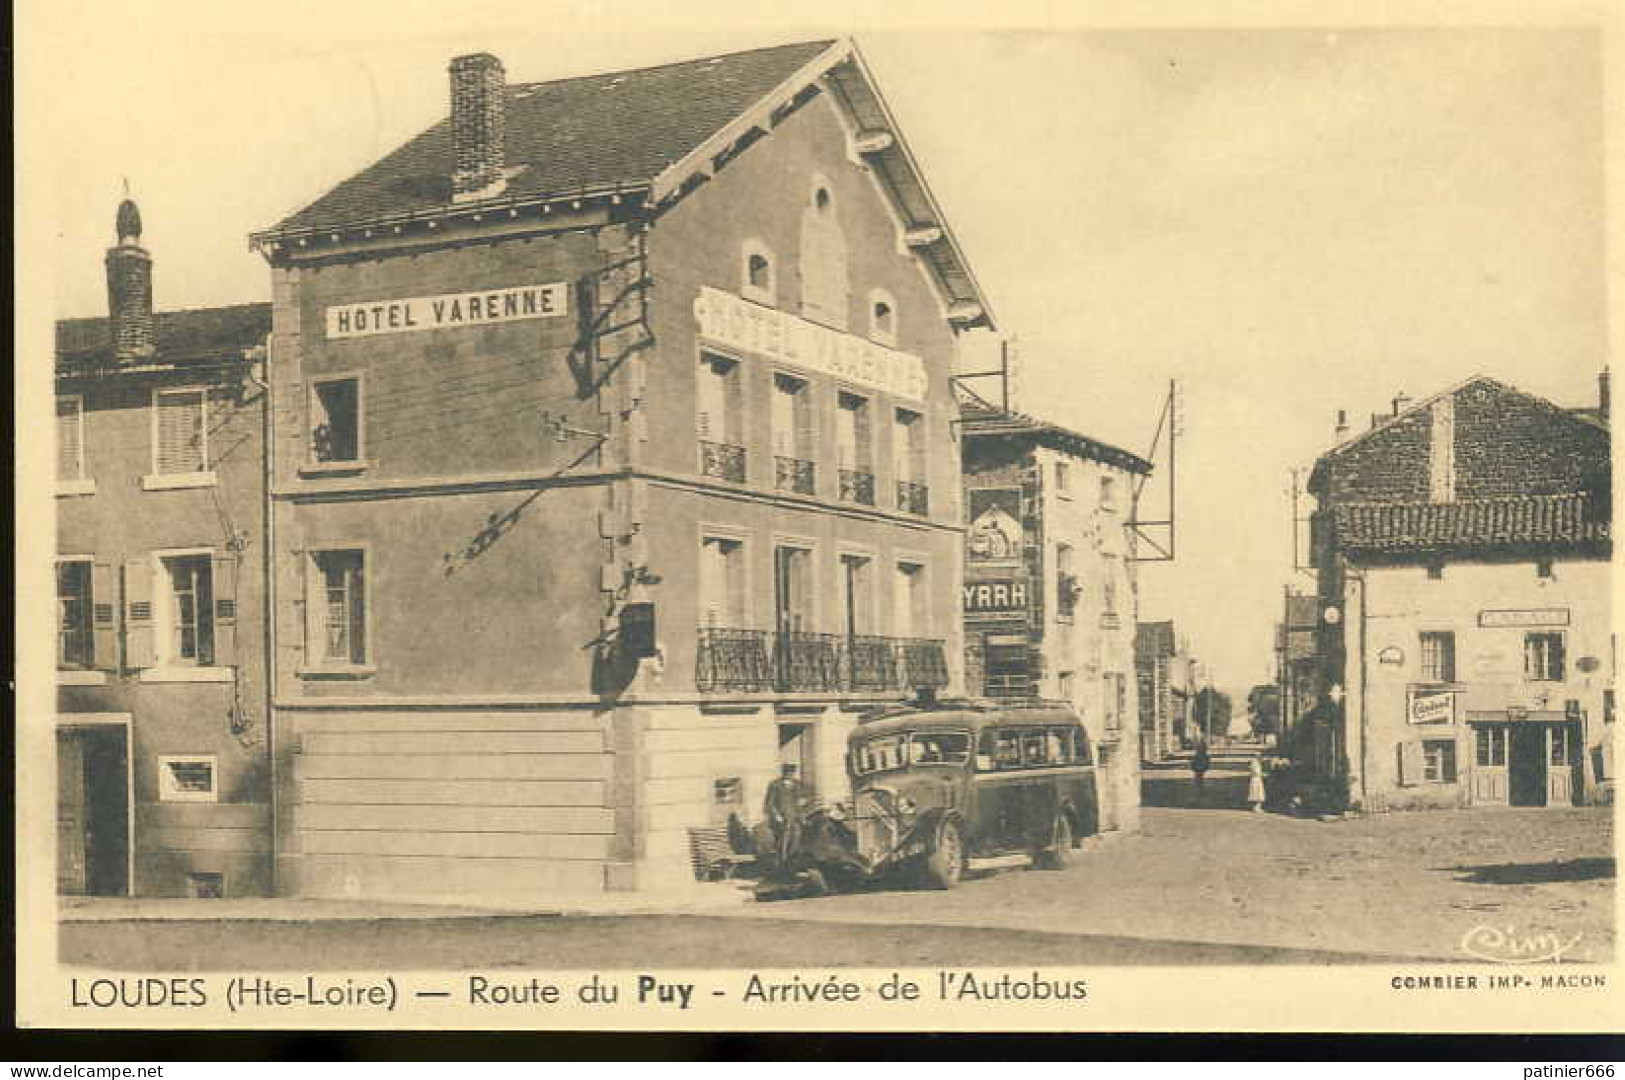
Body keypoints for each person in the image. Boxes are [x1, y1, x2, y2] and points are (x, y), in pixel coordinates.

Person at [763, 763, 807, 870]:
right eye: (788, 773)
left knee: (797, 836)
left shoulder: (797, 784)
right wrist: (776, 815)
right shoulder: (775, 785)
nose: (790, 775)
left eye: (792, 773)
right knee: (784, 838)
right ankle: (781, 861)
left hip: (795, 816)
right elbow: (769, 803)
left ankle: (791, 859)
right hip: (781, 818)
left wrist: (803, 806)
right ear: (784, 773)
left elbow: (801, 799)